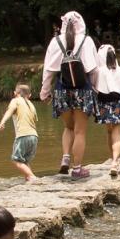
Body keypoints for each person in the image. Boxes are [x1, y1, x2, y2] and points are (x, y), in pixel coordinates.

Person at [40, 11, 99, 180]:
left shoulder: (55, 41)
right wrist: (95, 88)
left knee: (68, 127)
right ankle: (78, 168)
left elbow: (49, 71)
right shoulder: (86, 41)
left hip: (61, 89)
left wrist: (44, 92)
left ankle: (65, 158)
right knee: (80, 131)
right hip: (83, 90)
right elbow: (94, 70)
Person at [92, 45, 120, 178]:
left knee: (109, 132)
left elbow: (94, 88)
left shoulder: (99, 71)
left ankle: (112, 160)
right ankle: (115, 162)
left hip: (104, 105)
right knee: (117, 135)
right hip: (118, 105)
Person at [0, 83, 40, 182]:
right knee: (25, 161)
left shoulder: (15, 101)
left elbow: (10, 111)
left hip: (23, 135)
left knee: (16, 160)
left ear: (15, 93)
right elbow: (34, 120)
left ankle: (32, 177)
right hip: (34, 136)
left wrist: (2, 122)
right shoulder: (31, 104)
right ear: (29, 95)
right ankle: (28, 178)